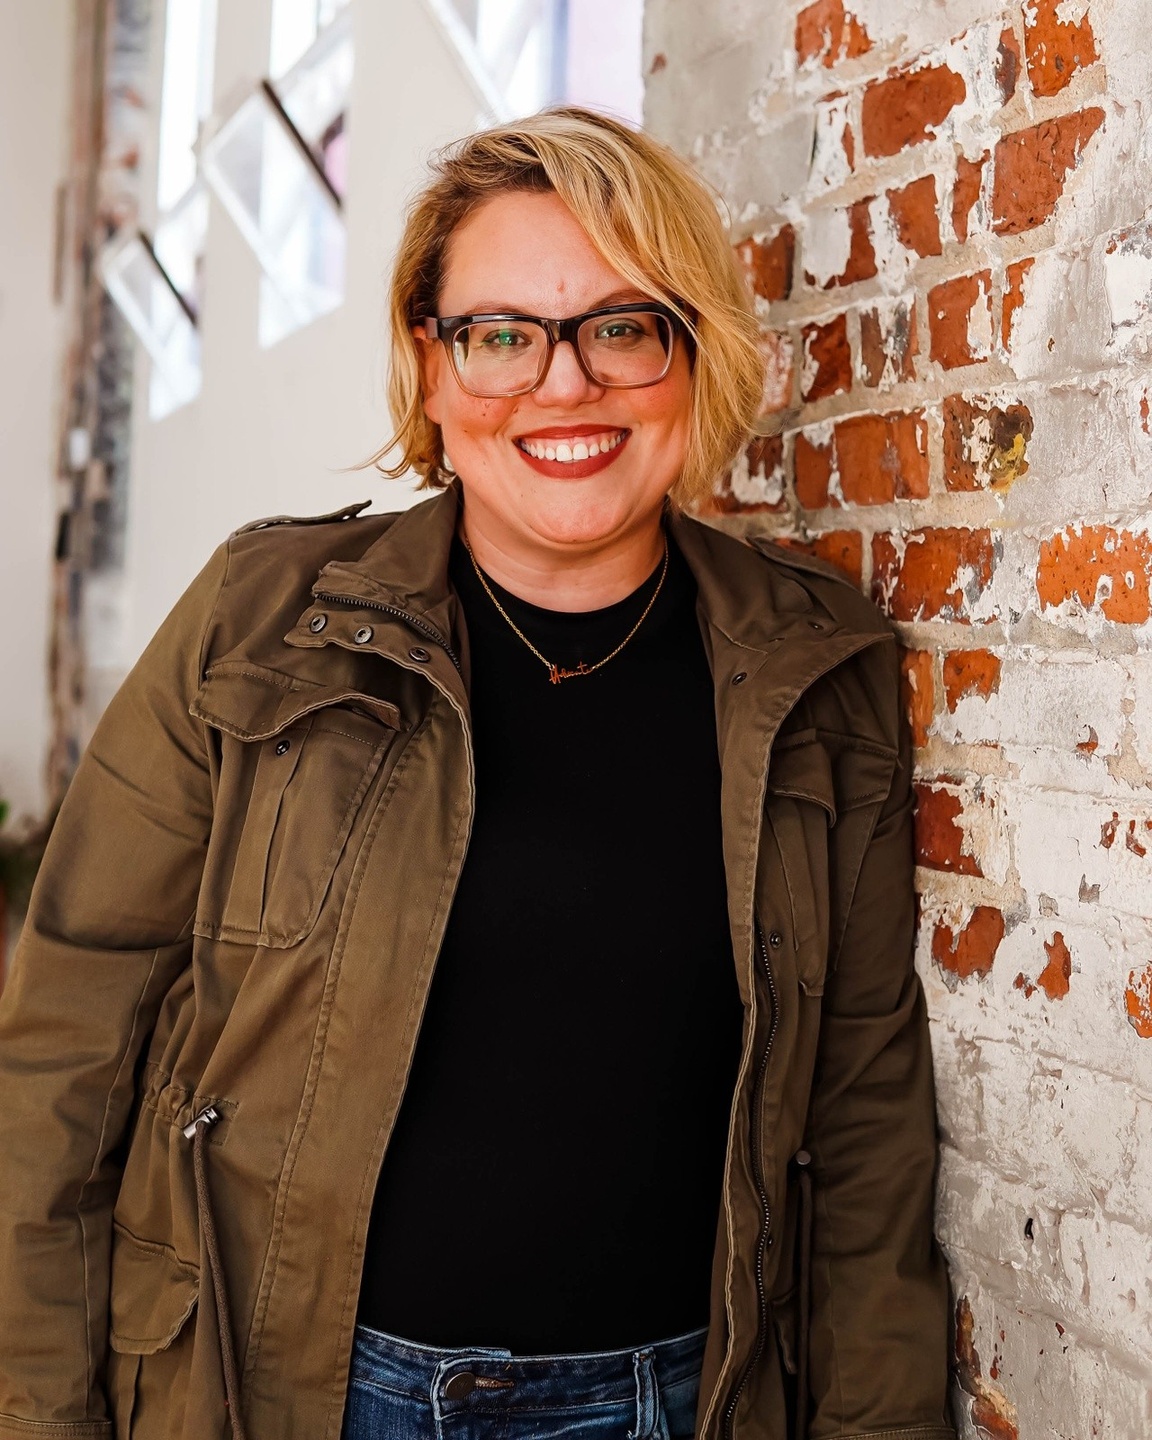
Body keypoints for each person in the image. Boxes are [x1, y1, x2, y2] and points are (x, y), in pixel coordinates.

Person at [0, 107, 956, 1440]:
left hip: (677, 1404)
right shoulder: (258, 623)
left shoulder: (817, 674)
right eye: (502, 335)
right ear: (430, 367)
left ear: (693, 354)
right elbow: (63, 1056)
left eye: (622, 327)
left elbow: (862, 1136)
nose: (564, 386)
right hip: (294, 1399)